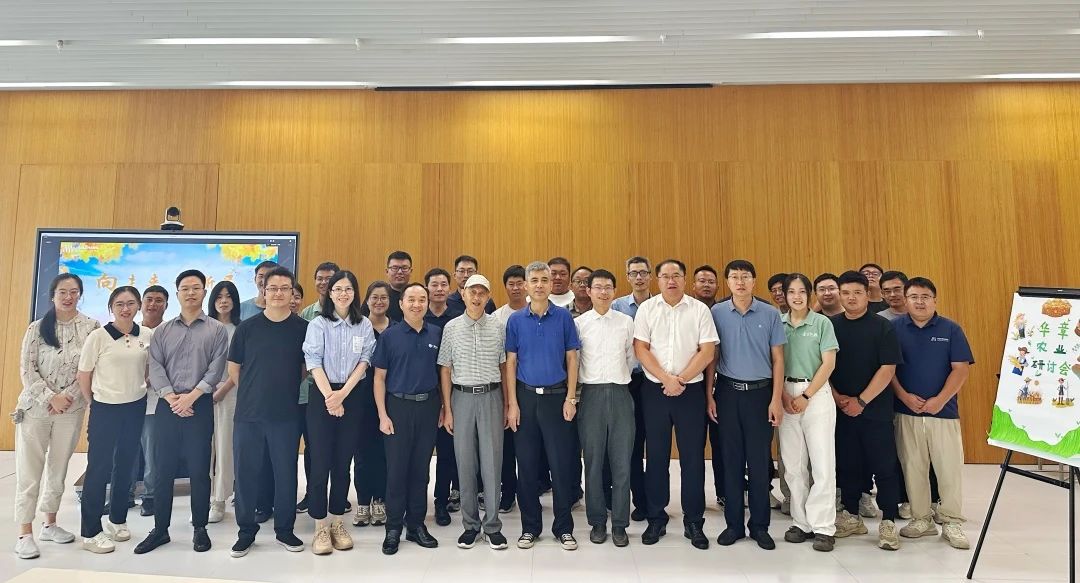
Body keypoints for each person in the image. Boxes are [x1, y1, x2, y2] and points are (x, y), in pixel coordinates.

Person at [136, 269, 229, 555]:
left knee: (200, 470)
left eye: (196, 287)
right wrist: (172, 398)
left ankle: (200, 528)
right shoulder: (163, 331)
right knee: (162, 469)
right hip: (168, 404)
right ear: (177, 294)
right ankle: (160, 530)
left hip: (199, 404)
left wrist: (191, 398)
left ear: (204, 292)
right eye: (185, 288)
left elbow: (216, 368)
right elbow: (155, 366)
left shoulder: (216, 330)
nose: (191, 292)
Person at [12, 274, 100, 560]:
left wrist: (67, 397)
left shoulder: (91, 327)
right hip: (35, 410)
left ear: (80, 295)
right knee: (29, 472)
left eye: (74, 292)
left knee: (59, 468)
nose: (68, 297)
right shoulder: (37, 328)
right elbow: (27, 370)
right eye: (63, 291)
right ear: (53, 295)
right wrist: (51, 398)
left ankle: (49, 524)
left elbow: (91, 368)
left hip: (70, 410)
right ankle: (25, 533)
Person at [633, 259, 718, 550]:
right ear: (657, 280)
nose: (671, 281)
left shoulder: (699, 310)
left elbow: (707, 351)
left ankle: (693, 521)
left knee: (692, 458)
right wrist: (665, 379)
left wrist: (679, 379)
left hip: (690, 392)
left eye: (676, 275)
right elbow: (641, 348)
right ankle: (656, 518)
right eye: (666, 276)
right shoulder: (647, 309)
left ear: (684, 279)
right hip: (654, 390)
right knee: (656, 457)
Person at [228, 267, 309, 557]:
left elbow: (304, 369)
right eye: (272, 288)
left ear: (292, 293)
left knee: (286, 473)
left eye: (284, 288)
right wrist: (255, 391)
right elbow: (234, 368)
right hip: (248, 415)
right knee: (246, 474)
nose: (278, 293)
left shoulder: (302, 329)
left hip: (286, 414)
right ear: (264, 291)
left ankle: (284, 530)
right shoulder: (247, 328)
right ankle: (246, 531)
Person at [891, 277, 973, 550]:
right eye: (913, 297)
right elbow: (888, 369)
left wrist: (940, 400)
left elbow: (961, 369)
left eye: (925, 296)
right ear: (905, 300)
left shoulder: (951, 329)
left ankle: (951, 521)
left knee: (948, 468)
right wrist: (903, 396)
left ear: (934, 300)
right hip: (906, 411)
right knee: (913, 467)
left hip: (943, 412)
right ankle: (921, 519)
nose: (919, 302)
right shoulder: (894, 329)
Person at [506, 261, 582, 551]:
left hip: (556, 398)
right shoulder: (515, 320)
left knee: (561, 466)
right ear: (526, 285)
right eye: (534, 280)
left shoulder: (563, 318)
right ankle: (530, 527)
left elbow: (572, 358)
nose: (539, 285)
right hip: (525, 398)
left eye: (544, 280)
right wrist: (512, 404)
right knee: (526, 466)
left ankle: (563, 528)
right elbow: (511, 363)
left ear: (552, 285)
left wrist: (571, 398)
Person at [710, 259, 786, 551]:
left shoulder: (770, 313)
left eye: (745, 277)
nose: (740, 282)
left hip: (760, 395)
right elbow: (713, 357)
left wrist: (776, 399)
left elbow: (778, 359)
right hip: (728, 393)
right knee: (730, 461)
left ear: (754, 281)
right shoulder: (717, 312)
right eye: (734, 277)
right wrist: (709, 395)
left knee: (759, 463)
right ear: (727, 281)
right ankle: (733, 525)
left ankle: (760, 526)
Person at [302, 270, 376, 555]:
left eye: (348, 289)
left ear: (355, 293)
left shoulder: (364, 324)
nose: (343, 294)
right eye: (338, 289)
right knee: (320, 462)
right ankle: (320, 526)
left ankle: (336, 522)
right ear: (330, 293)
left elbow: (365, 361)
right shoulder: (318, 324)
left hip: (352, 395)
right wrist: (330, 398)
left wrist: (342, 394)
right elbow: (313, 361)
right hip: (322, 394)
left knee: (343, 462)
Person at [829, 270, 903, 551]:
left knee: (884, 466)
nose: (851, 298)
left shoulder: (882, 326)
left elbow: (888, 368)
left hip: (875, 410)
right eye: (846, 293)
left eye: (857, 293)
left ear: (867, 294)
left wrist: (861, 401)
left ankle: (889, 520)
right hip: (841, 408)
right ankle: (851, 515)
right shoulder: (831, 326)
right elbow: (823, 365)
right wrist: (838, 397)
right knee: (848, 464)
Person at [77, 286, 152, 554]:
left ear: (138, 306)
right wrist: (93, 402)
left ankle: (117, 520)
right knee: (99, 468)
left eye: (131, 303)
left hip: (135, 407)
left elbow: (147, 368)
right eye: (119, 304)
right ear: (111, 307)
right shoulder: (98, 336)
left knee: (126, 464)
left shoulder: (146, 335)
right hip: (105, 408)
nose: (125, 308)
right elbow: (84, 374)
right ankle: (90, 532)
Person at [438, 274, 510, 550]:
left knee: (492, 463)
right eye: (472, 292)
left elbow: (504, 367)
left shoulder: (499, 326)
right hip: (462, 398)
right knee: (465, 463)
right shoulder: (451, 327)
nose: (477, 297)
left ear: (488, 296)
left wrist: (507, 404)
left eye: (482, 293)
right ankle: (470, 526)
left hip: (492, 396)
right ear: (463, 294)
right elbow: (445, 369)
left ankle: (492, 526)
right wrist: (447, 408)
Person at [374, 283, 443, 555]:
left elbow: (442, 373)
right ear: (401, 304)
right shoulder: (389, 336)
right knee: (397, 470)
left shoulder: (436, 333)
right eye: (411, 299)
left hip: (428, 407)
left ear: (427, 303)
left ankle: (416, 525)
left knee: (421, 470)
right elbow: (379, 378)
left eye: (422, 299)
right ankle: (393, 527)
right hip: (397, 407)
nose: (417, 304)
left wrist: (444, 407)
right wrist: (383, 414)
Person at [777, 274, 839, 552]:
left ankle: (823, 526)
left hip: (815, 393)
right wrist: (783, 395)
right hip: (785, 394)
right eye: (791, 292)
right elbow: (773, 362)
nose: (797, 297)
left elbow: (828, 363)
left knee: (822, 463)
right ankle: (801, 522)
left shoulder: (822, 323)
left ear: (809, 294)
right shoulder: (778, 324)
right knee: (793, 465)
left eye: (802, 291)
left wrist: (805, 396)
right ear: (785, 295)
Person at [575, 269, 637, 547]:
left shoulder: (626, 322)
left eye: (608, 287)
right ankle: (598, 521)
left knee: (622, 462)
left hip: (621, 393)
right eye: (597, 287)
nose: (603, 292)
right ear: (588, 291)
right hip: (591, 395)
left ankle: (620, 524)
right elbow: (575, 361)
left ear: (614, 291)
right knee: (593, 462)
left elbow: (631, 359)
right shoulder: (579, 324)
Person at [611, 256, 653, 521]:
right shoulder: (616, 306)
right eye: (634, 273)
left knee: (655, 443)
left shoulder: (660, 304)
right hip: (627, 382)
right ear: (627, 277)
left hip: (654, 381)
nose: (639, 277)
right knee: (632, 444)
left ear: (650, 276)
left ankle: (655, 500)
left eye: (643, 273)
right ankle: (640, 501)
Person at [351, 281, 396, 528]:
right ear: (366, 300)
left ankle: (379, 500)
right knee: (362, 454)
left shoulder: (396, 329)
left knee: (384, 453)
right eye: (374, 297)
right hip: (360, 399)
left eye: (383, 298)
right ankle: (362, 502)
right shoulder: (357, 327)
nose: (379, 302)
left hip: (390, 400)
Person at [425, 267, 465, 525]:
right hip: (425, 394)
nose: (439, 289)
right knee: (421, 455)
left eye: (443, 285)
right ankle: (417, 503)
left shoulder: (458, 316)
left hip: (450, 395)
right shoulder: (419, 315)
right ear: (427, 288)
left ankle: (442, 502)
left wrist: (446, 402)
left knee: (447, 454)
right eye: (434, 284)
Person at [490, 265, 526, 514]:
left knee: (528, 444)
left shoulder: (535, 310)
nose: (515, 288)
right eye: (511, 284)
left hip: (529, 384)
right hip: (503, 386)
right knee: (506, 445)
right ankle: (508, 492)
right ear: (505, 287)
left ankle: (530, 491)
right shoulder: (497, 317)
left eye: (519, 283)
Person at [133, 284, 169, 518]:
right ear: (141, 304)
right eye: (149, 299)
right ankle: (123, 495)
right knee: (125, 451)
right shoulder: (130, 329)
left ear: (166, 305)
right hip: (126, 400)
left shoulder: (169, 331)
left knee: (151, 453)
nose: (153, 304)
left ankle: (150, 496)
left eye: (158, 300)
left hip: (155, 402)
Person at [206, 281, 241, 524]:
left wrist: (223, 389)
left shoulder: (240, 329)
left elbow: (242, 365)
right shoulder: (204, 327)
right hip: (201, 394)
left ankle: (219, 500)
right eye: (219, 296)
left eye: (228, 296)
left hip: (230, 393)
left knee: (225, 447)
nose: (224, 301)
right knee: (203, 450)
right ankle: (204, 498)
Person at [362, 250, 412, 321]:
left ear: (411, 271)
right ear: (387, 271)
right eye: (395, 268)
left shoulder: (417, 294)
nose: (400, 272)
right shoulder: (377, 294)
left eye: (404, 268)